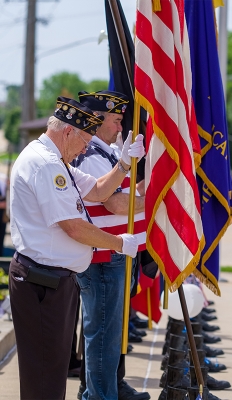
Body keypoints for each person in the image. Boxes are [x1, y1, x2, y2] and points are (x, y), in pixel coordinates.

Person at [8, 96, 144, 400]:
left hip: (54, 280)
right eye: (85, 139)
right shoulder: (46, 164)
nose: (86, 148)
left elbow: (97, 190)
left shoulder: (58, 161)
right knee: (44, 377)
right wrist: (119, 243)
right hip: (42, 281)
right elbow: (73, 227)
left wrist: (122, 164)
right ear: (68, 131)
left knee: (52, 371)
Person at [71, 90, 150, 400]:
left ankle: (96, 392)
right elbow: (116, 204)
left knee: (107, 334)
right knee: (103, 336)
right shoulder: (90, 154)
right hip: (104, 256)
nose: (120, 128)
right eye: (116, 121)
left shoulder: (105, 153)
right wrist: (154, 201)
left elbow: (127, 196)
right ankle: (100, 396)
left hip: (116, 252)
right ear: (98, 119)